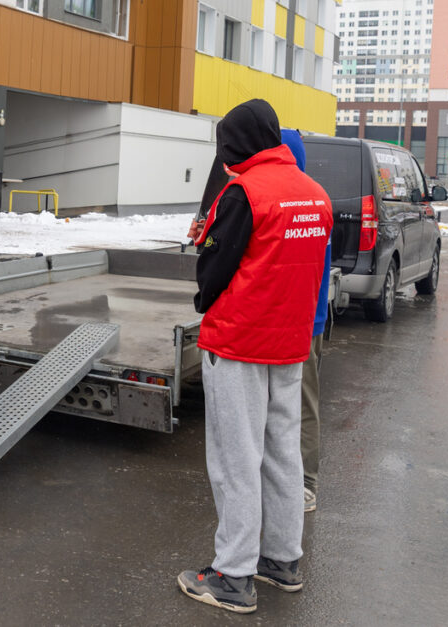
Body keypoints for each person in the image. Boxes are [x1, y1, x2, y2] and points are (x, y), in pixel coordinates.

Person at [176, 99, 333, 614]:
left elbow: (215, 266)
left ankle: (232, 573)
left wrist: (204, 301)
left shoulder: (244, 192)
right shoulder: (314, 195)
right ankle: (282, 559)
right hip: (290, 345)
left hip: (240, 342)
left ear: (238, 143)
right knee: (282, 453)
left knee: (235, 459)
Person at [280, 128, 333, 514]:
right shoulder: (317, 196)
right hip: (307, 318)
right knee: (293, 403)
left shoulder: (292, 199)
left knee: (301, 402)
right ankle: (292, 479)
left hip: (299, 320)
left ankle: (305, 483)